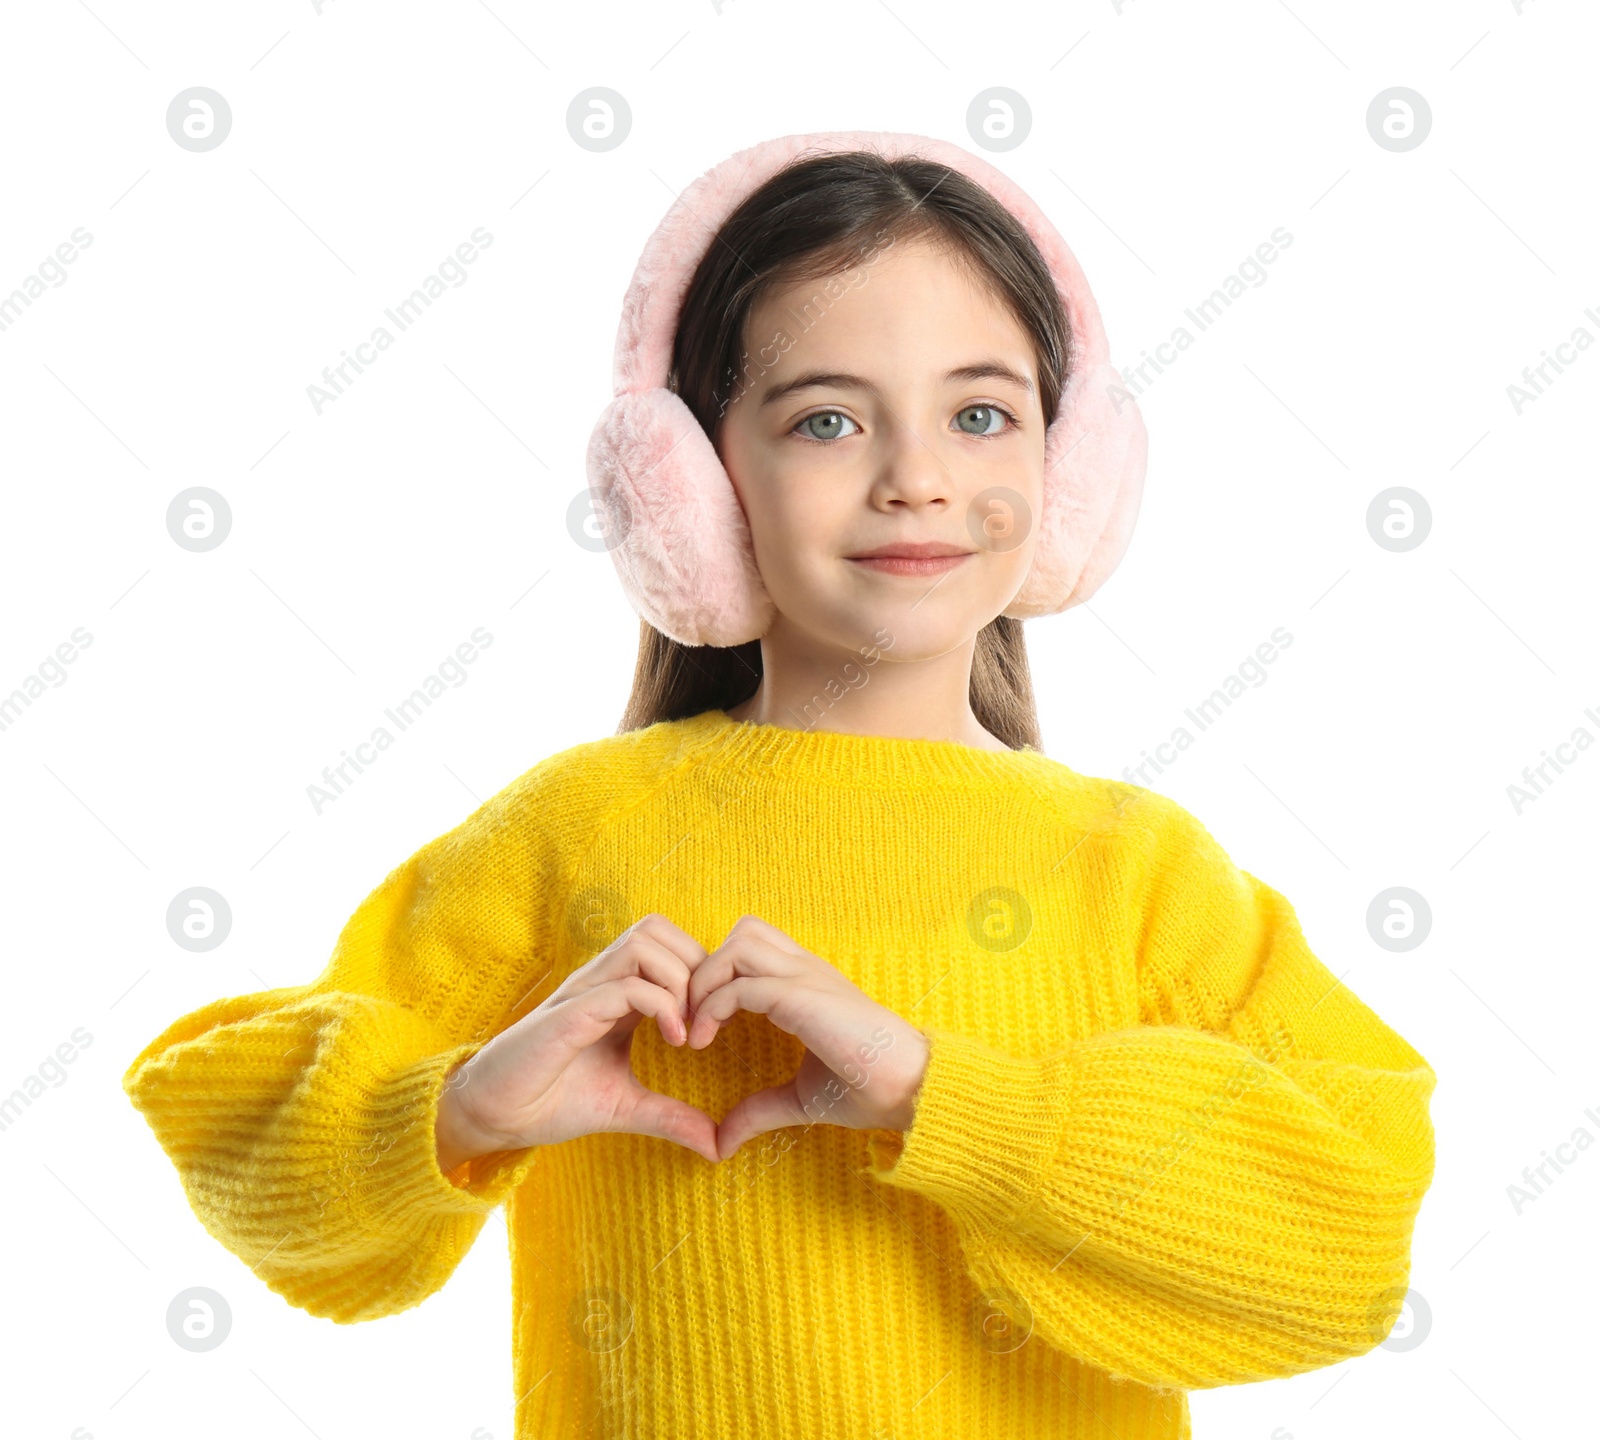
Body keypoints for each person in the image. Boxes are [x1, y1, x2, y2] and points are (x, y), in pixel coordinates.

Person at [122, 130, 1437, 1440]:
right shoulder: (573, 831)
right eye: (825, 418)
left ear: (1068, 467)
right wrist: (456, 1107)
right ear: (691, 483)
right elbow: (229, 1129)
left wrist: (945, 1098)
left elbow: (1354, 1234)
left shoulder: (1142, 870)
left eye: (981, 412)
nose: (918, 475)